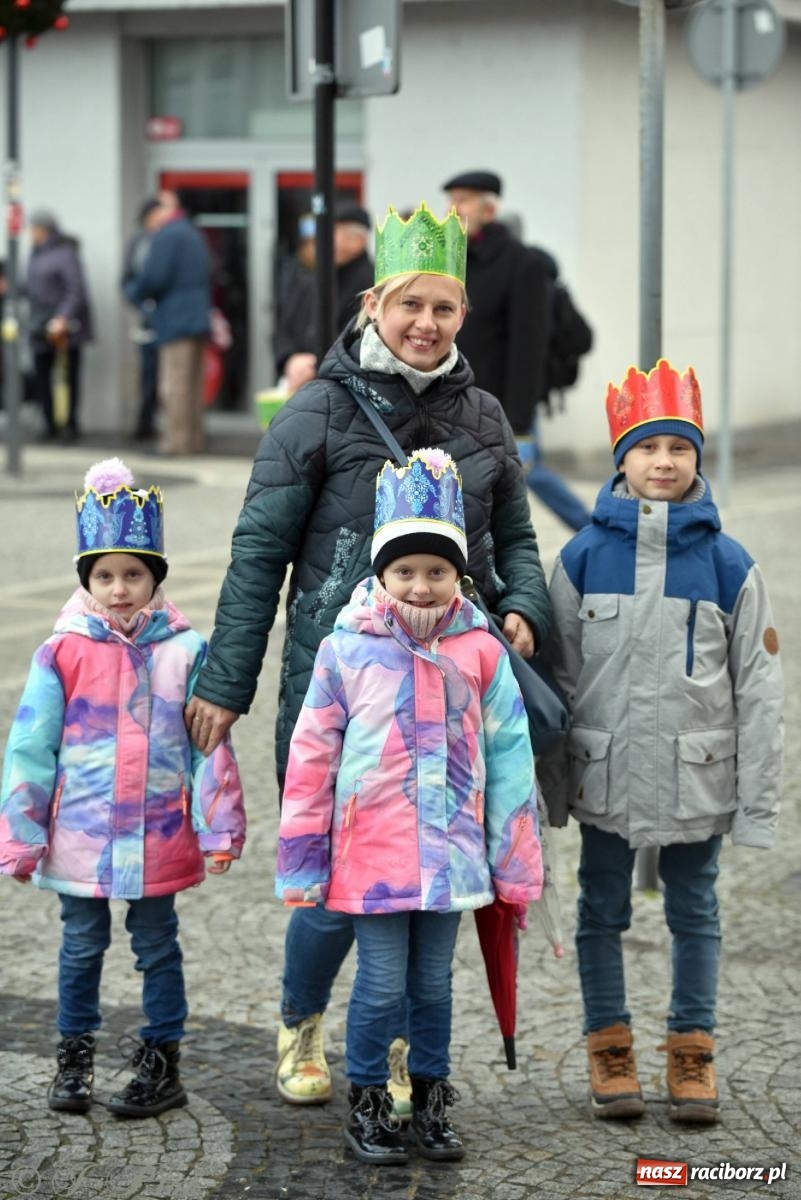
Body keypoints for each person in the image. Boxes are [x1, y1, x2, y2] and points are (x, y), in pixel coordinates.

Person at [185, 201, 552, 1110]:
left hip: (448, 696)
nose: (425, 324)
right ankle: (301, 1016)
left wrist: (520, 609)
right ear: (372, 303)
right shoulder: (315, 410)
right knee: (343, 889)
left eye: (444, 308)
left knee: (421, 886)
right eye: (408, 306)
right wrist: (227, 682)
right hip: (336, 690)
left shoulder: (485, 416)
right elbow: (256, 554)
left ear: (463, 313)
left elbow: (514, 539)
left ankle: (391, 1055)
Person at [276, 448, 544, 1164]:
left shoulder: (480, 652)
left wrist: (512, 864)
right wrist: (303, 863)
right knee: (379, 985)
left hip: (451, 859)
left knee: (433, 986)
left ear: (458, 575)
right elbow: (310, 762)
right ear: (379, 573)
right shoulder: (345, 651)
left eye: (436, 571)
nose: (420, 586)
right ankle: (370, 1101)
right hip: (372, 859)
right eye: (404, 571)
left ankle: (428, 1099)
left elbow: (511, 759)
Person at [536, 359, 783, 1124]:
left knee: (694, 912)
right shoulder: (579, 559)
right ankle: (608, 1048)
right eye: (647, 449)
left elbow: (758, 691)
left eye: (679, 449)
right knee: (599, 909)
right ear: (621, 461)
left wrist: (757, 805)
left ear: (697, 459)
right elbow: (557, 681)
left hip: (695, 778)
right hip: (605, 777)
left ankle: (691, 1050)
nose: (664, 463)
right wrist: (549, 795)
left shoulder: (727, 563)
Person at [0, 457, 246, 1118]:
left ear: (153, 578)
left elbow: (208, 747)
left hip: (160, 833)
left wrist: (218, 826)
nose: (118, 589)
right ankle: (73, 1058)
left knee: (157, 947)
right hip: (80, 835)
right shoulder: (62, 652)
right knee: (80, 947)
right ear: (86, 580)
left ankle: (162, 1060)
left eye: (133, 574)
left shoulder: (185, 652)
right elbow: (31, 748)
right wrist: (19, 837)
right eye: (104, 575)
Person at [442, 171, 591, 531]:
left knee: (525, 473)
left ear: (489, 209)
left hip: (500, 403)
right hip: (455, 398)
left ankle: (593, 530)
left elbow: (529, 349)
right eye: (450, 199)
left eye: (462, 199)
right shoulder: (451, 260)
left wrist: (520, 423)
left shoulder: (522, 263)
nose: (452, 208)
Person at [125, 190, 211, 455]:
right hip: (197, 318)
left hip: (174, 320)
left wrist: (134, 292)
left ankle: (175, 444)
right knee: (193, 386)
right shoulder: (194, 233)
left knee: (173, 386)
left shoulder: (167, 235)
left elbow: (154, 277)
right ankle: (194, 441)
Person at [273, 201, 375, 394]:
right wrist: (289, 359)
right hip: (299, 383)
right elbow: (284, 327)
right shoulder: (313, 278)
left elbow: (363, 341)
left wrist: (316, 364)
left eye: (334, 233)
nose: (322, 241)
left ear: (359, 239)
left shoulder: (371, 285)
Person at [25, 210, 93, 444]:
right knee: (42, 375)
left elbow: (75, 291)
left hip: (65, 329)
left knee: (68, 377)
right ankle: (49, 423)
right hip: (40, 326)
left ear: (44, 229)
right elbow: (35, 288)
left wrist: (62, 318)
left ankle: (69, 425)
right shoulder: (36, 254)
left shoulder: (65, 254)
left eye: (32, 228)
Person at [121, 197, 163, 440]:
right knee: (148, 372)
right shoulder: (138, 243)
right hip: (147, 320)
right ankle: (145, 422)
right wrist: (141, 303)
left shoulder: (167, 240)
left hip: (167, 317)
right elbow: (127, 279)